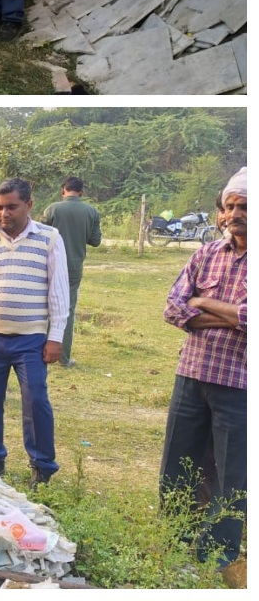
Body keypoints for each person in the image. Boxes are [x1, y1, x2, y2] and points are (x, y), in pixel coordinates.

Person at [159, 167, 246, 572]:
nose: (234, 214)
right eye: (229, 206)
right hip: (192, 374)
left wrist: (204, 304)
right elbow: (174, 308)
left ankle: (216, 552)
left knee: (233, 471)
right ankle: (173, 536)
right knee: (179, 459)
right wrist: (231, 315)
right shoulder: (206, 252)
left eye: (244, 206)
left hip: (241, 382)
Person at [0, 178, 68, 488]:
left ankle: (42, 466)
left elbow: (58, 291)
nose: (4, 213)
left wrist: (55, 337)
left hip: (30, 339)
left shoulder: (49, 238)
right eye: (0, 208)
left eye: (11, 207)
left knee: (36, 401)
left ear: (29, 205)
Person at [41, 177, 103, 367]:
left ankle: (38, 352)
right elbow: (95, 241)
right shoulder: (92, 212)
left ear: (63, 191)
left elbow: (40, 235)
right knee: (66, 310)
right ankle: (63, 358)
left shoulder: (52, 209)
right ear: (81, 192)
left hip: (47, 264)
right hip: (73, 267)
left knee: (42, 307)